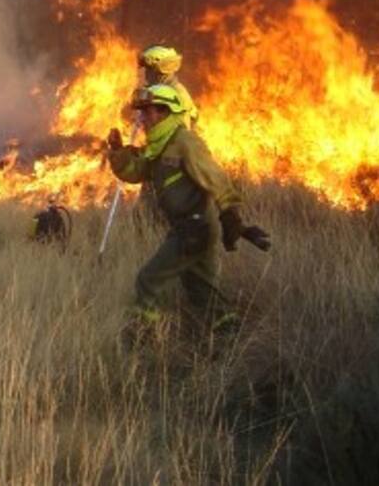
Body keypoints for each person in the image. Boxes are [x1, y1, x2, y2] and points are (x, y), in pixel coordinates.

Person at [106, 84, 270, 337]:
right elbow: (136, 173)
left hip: (195, 229)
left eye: (147, 111)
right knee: (199, 289)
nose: (142, 118)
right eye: (141, 112)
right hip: (186, 228)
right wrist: (119, 153)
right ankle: (229, 333)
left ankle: (142, 336)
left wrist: (231, 215)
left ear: (165, 112)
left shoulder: (185, 142)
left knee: (148, 279)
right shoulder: (159, 146)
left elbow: (216, 177)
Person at [137, 45, 199, 127]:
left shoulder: (178, 96)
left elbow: (181, 129)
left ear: (160, 71)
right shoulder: (156, 92)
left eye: (149, 69)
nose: (146, 74)